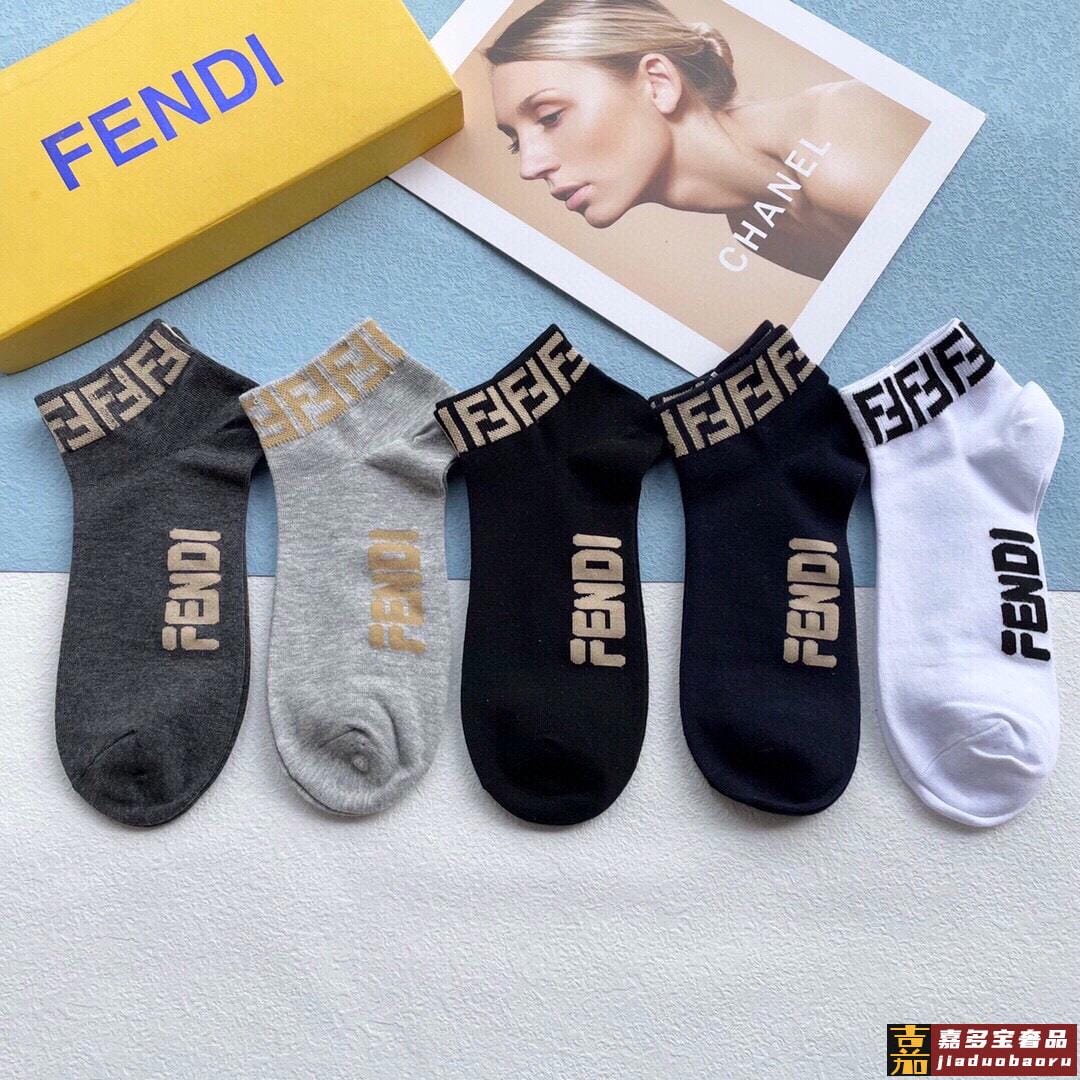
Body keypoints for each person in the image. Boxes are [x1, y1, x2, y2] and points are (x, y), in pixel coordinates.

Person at [486, 0, 909, 279]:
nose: (530, 167)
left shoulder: (838, 132)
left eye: (550, 117)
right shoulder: (759, 234)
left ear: (658, 83)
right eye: (516, 141)